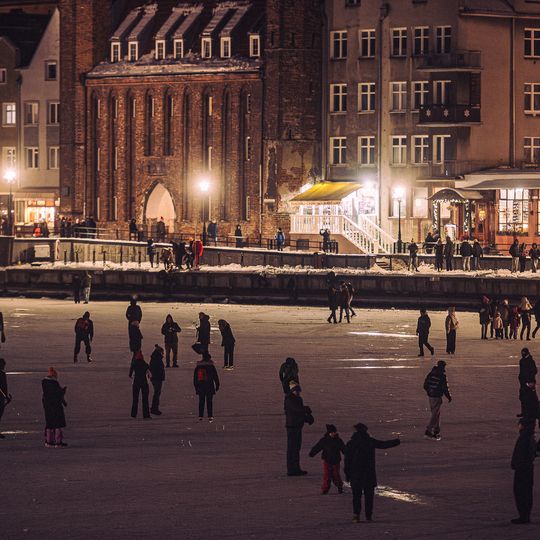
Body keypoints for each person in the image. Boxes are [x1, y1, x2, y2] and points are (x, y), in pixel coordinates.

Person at [344, 423, 400, 523]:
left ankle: (356, 515)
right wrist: (396, 441)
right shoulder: (369, 441)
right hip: (368, 474)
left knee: (356, 496)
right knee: (369, 497)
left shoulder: (351, 443)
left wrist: (347, 474)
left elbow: (347, 460)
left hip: (356, 474)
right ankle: (368, 516)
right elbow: (383, 445)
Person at [510, 418, 536, 524]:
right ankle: (524, 515)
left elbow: (527, 454)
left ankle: (524, 516)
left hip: (523, 469)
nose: (519, 427)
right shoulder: (526, 437)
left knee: (522, 492)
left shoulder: (526, 438)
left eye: (520, 425)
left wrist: (519, 464)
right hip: (523, 468)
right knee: (523, 492)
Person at [284, 382, 313, 476]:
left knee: (296, 448)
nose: (297, 392)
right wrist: (306, 410)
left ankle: (296, 468)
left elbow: (299, 411)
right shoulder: (289, 399)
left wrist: (306, 417)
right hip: (292, 427)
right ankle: (291, 469)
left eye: (298, 390)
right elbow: (297, 410)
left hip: (297, 425)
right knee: (292, 448)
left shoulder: (297, 399)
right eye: (295, 390)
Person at [309, 424, 345, 494]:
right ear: (329, 433)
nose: (334, 433)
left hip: (336, 460)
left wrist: (348, 454)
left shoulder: (338, 440)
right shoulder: (324, 440)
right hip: (327, 460)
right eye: (332, 432)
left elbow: (343, 448)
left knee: (336, 475)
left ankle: (339, 486)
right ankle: (325, 489)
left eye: (334, 432)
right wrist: (312, 453)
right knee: (327, 475)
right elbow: (318, 447)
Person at [423, 360, 452, 440]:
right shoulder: (442, 376)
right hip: (437, 397)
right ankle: (429, 430)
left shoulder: (431, 373)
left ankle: (436, 430)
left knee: (436, 413)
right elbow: (445, 388)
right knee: (435, 414)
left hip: (431, 397)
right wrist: (448, 396)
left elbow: (425, 385)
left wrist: (429, 392)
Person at [42, 367, 68, 447]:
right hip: (56, 405)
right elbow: (58, 394)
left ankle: (49, 441)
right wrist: (63, 391)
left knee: (49, 423)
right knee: (58, 423)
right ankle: (58, 441)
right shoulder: (54, 384)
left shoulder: (45, 383)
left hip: (47, 406)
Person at [193, 352, 220, 422]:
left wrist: (196, 387)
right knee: (209, 401)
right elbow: (215, 376)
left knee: (201, 401)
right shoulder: (211, 366)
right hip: (209, 386)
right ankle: (210, 416)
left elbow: (195, 378)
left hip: (201, 386)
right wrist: (217, 385)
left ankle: (200, 416)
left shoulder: (199, 366)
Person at [129, 350, 151, 419]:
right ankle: (146, 415)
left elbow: (130, 375)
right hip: (144, 382)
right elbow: (150, 374)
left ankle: (133, 414)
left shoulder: (134, 364)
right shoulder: (145, 364)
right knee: (145, 399)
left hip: (136, 382)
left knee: (135, 399)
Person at [518, 348, 537, 417]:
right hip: (523, 382)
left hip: (529, 382)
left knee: (529, 397)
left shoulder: (530, 361)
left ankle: (529, 412)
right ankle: (525, 412)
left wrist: (530, 381)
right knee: (523, 397)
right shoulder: (522, 361)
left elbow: (534, 371)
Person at [149, 345, 165, 416]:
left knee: (157, 393)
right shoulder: (157, 359)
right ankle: (154, 408)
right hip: (157, 378)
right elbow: (157, 369)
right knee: (157, 394)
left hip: (156, 378)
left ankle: (154, 408)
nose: (163, 354)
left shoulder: (155, 358)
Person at [0, 358, 12, 439]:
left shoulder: (3, 374)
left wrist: (6, 396)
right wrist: (5, 396)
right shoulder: (2, 375)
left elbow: (4, 386)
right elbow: (2, 387)